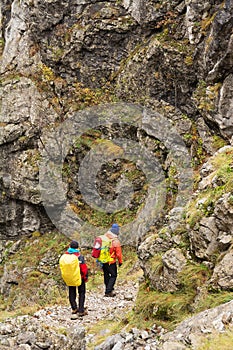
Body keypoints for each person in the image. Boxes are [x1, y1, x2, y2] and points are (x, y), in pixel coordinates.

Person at [65, 240, 88, 317]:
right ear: (77, 247)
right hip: (79, 277)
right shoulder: (79, 256)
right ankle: (81, 310)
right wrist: (85, 277)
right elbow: (83, 268)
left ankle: (74, 308)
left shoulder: (66, 256)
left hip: (70, 277)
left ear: (69, 246)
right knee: (81, 292)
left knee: (72, 291)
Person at [102, 223, 123, 297]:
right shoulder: (115, 241)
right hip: (111, 261)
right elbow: (118, 254)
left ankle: (108, 289)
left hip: (103, 260)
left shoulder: (104, 237)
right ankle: (108, 291)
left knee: (106, 275)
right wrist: (120, 262)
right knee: (113, 275)